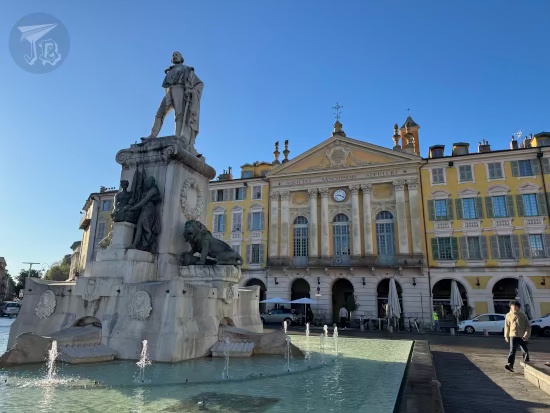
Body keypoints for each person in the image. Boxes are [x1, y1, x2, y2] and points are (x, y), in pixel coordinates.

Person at [504, 300, 531, 372]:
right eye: (513, 306)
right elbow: (507, 326)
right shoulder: (508, 315)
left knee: (525, 351)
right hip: (513, 335)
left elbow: (528, 326)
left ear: (519, 307)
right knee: (512, 350)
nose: (515, 307)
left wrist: (526, 335)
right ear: (511, 307)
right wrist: (506, 336)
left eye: (516, 306)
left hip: (522, 336)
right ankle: (510, 364)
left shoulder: (523, 315)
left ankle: (527, 365)